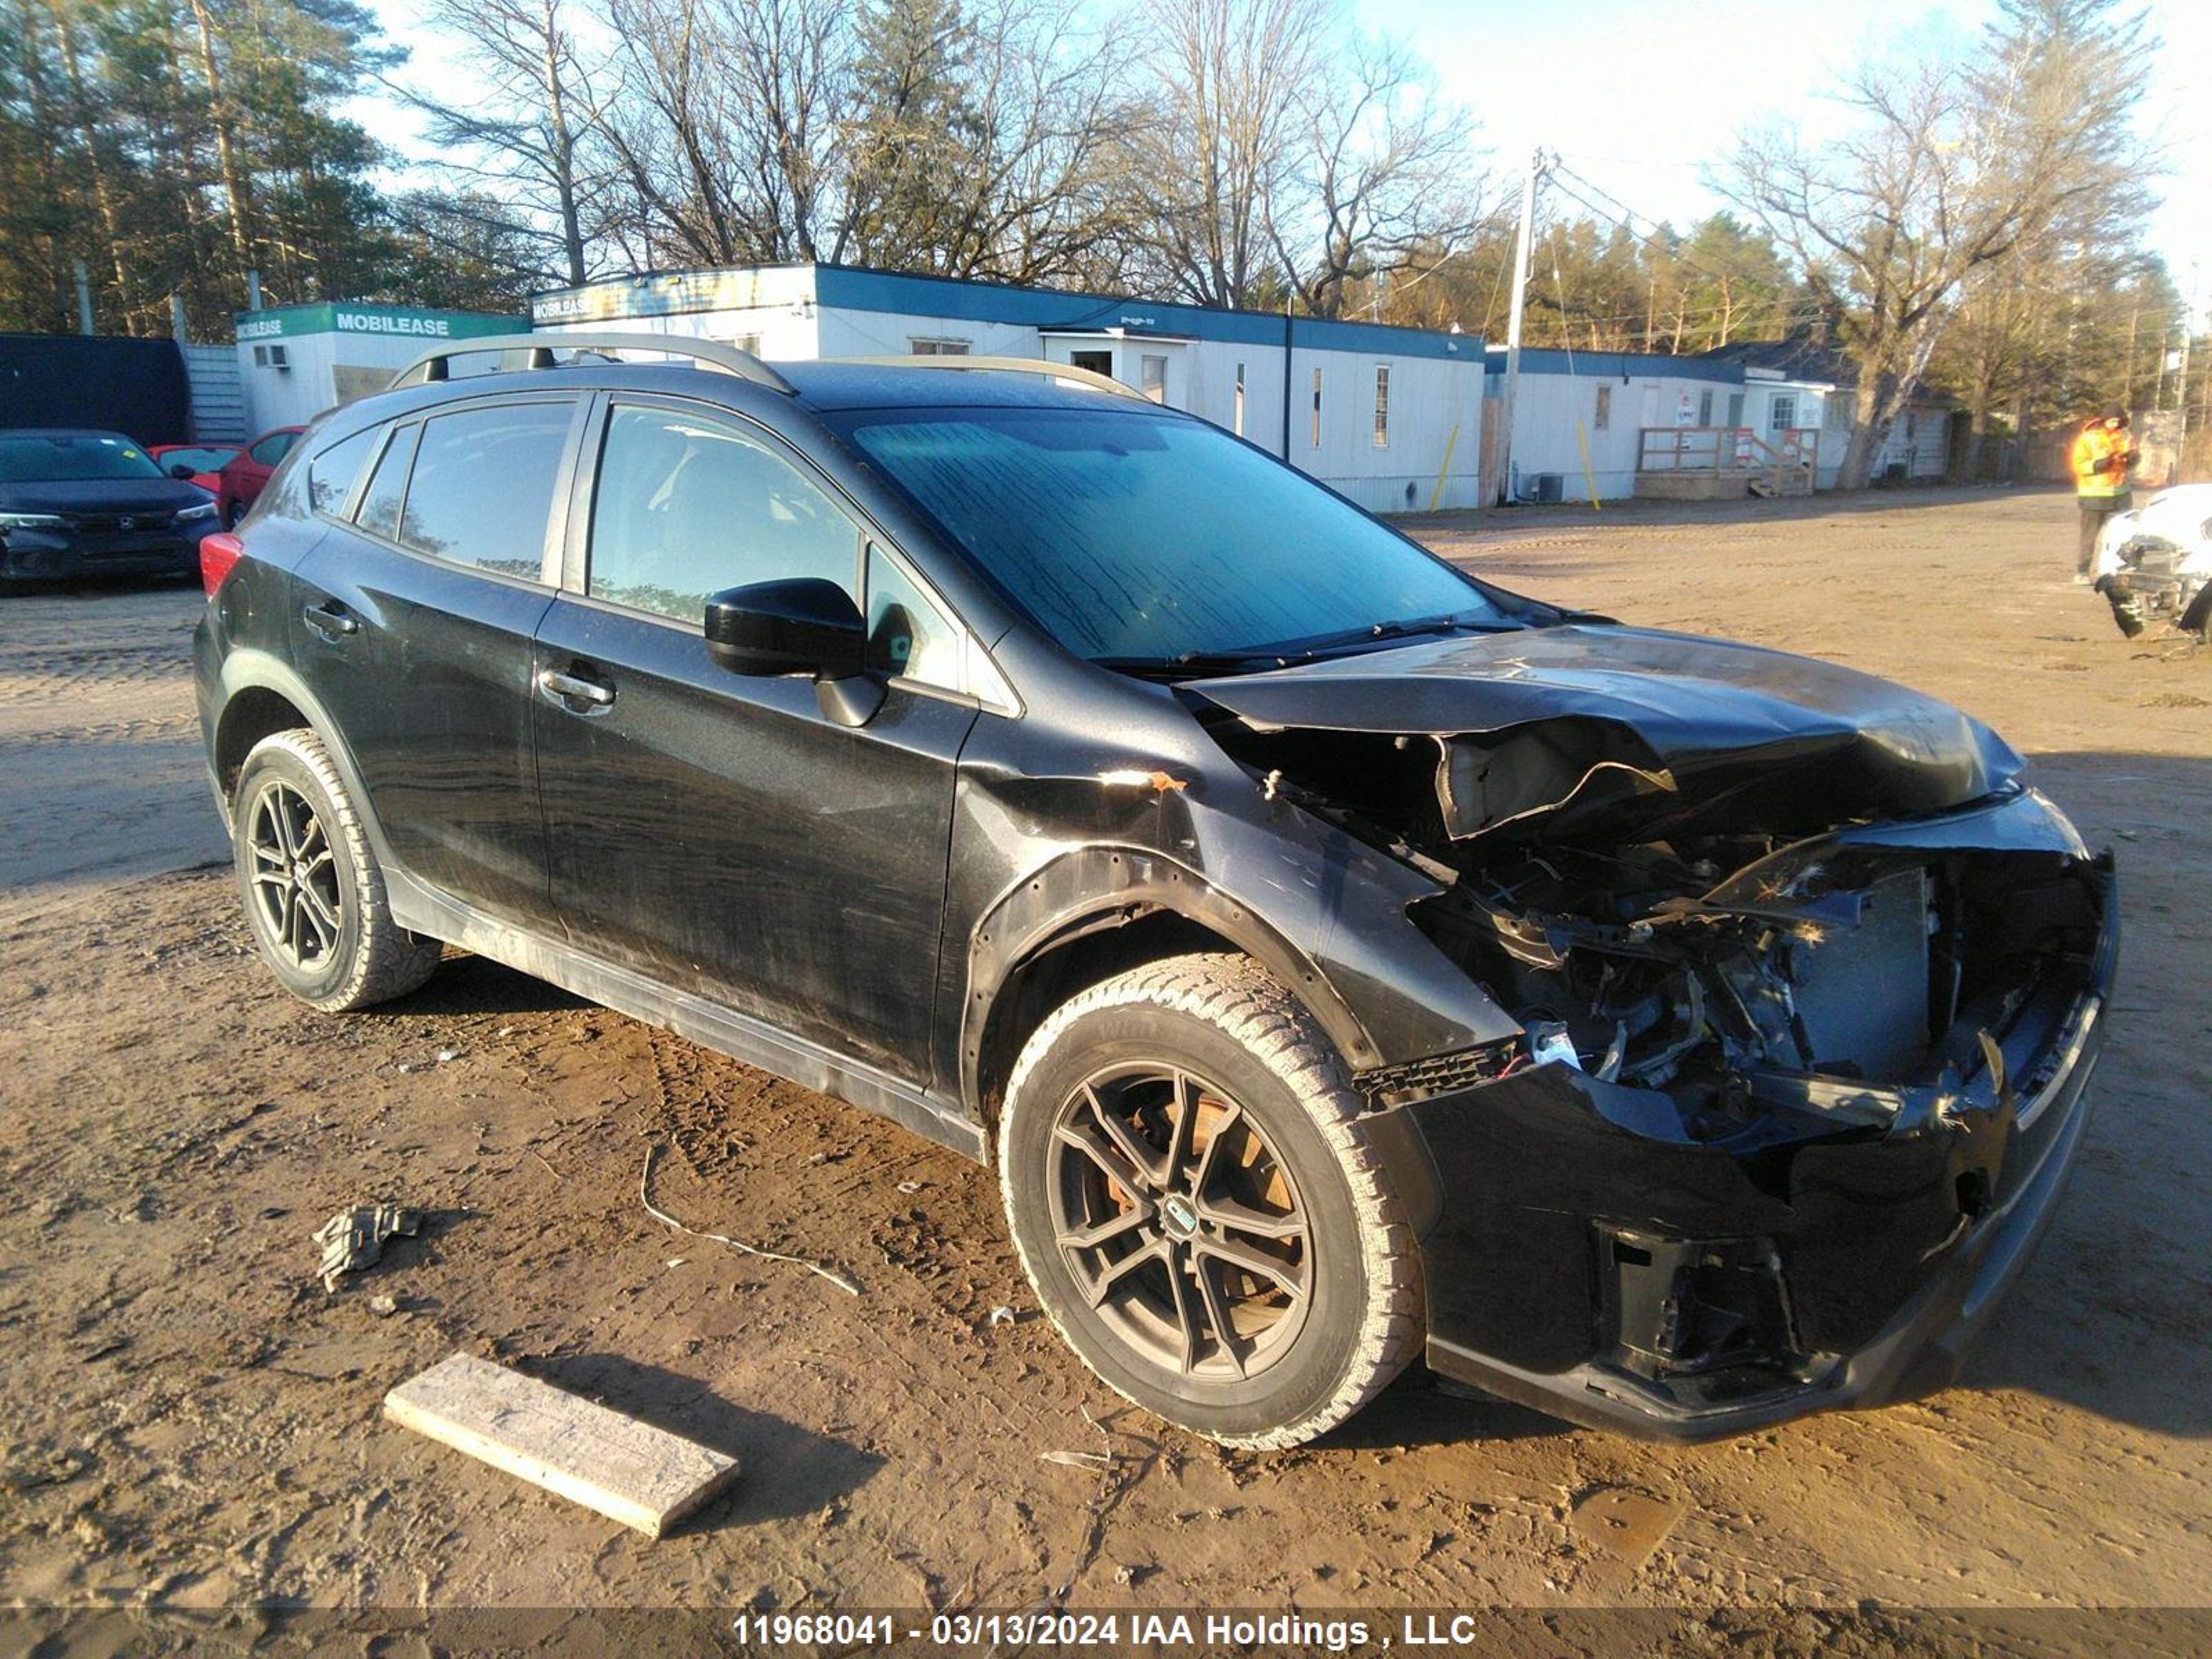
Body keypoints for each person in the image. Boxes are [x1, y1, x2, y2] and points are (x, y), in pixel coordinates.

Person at [2070, 409, 2137, 582]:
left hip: (2121, 493)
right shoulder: (2088, 438)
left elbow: (2132, 462)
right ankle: (2083, 572)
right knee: (2090, 537)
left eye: (2119, 421)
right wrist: (2101, 464)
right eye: (2112, 421)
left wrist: (2133, 458)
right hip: (2094, 495)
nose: (2116, 424)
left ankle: (2115, 572)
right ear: (2104, 420)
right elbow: (2078, 465)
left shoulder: (2125, 436)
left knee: (2121, 535)